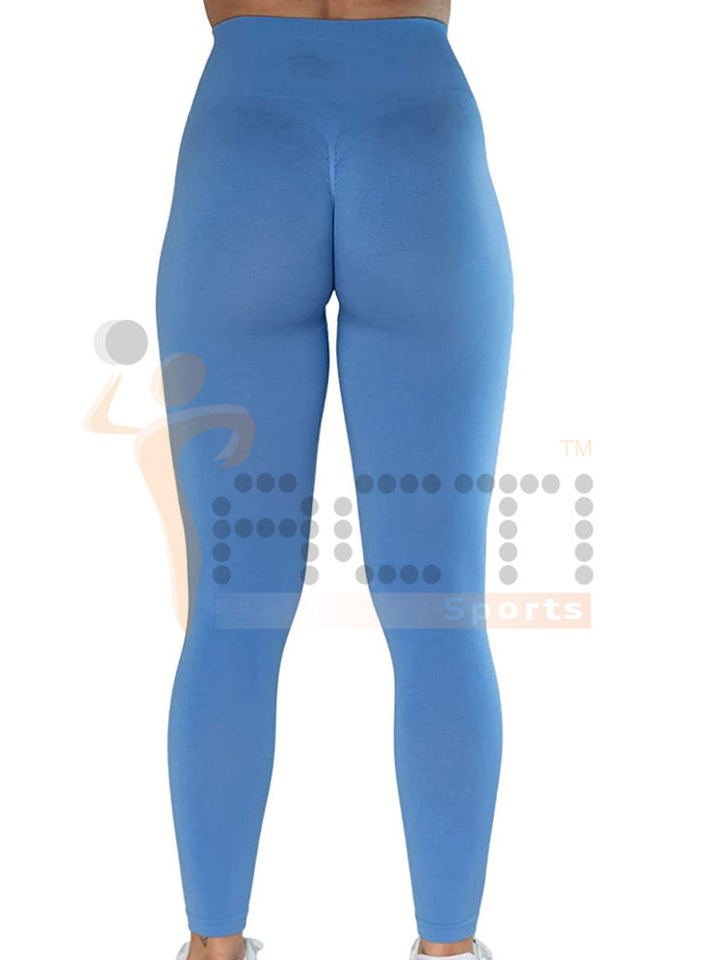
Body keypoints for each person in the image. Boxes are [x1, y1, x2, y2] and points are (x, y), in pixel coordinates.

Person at [157, 1, 513, 958]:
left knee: (231, 611)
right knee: (440, 611)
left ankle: (213, 952)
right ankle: (449, 952)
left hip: (242, 145)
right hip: (421, 144)